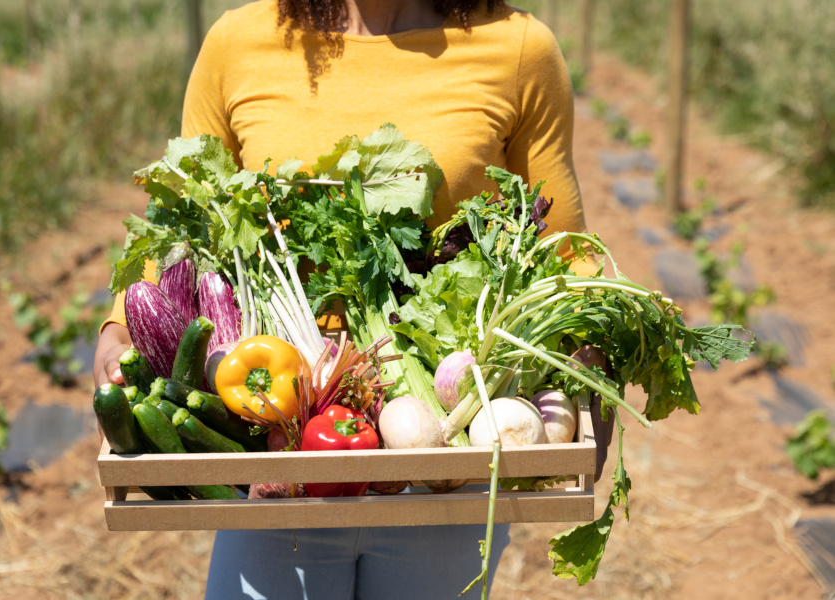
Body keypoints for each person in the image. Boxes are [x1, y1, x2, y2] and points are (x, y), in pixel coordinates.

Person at [93, 1, 613, 598]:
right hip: (271, 440)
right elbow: (180, 219)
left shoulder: (517, 48)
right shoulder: (239, 43)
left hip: (444, 445)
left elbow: (565, 249)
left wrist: (590, 368)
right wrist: (121, 329)